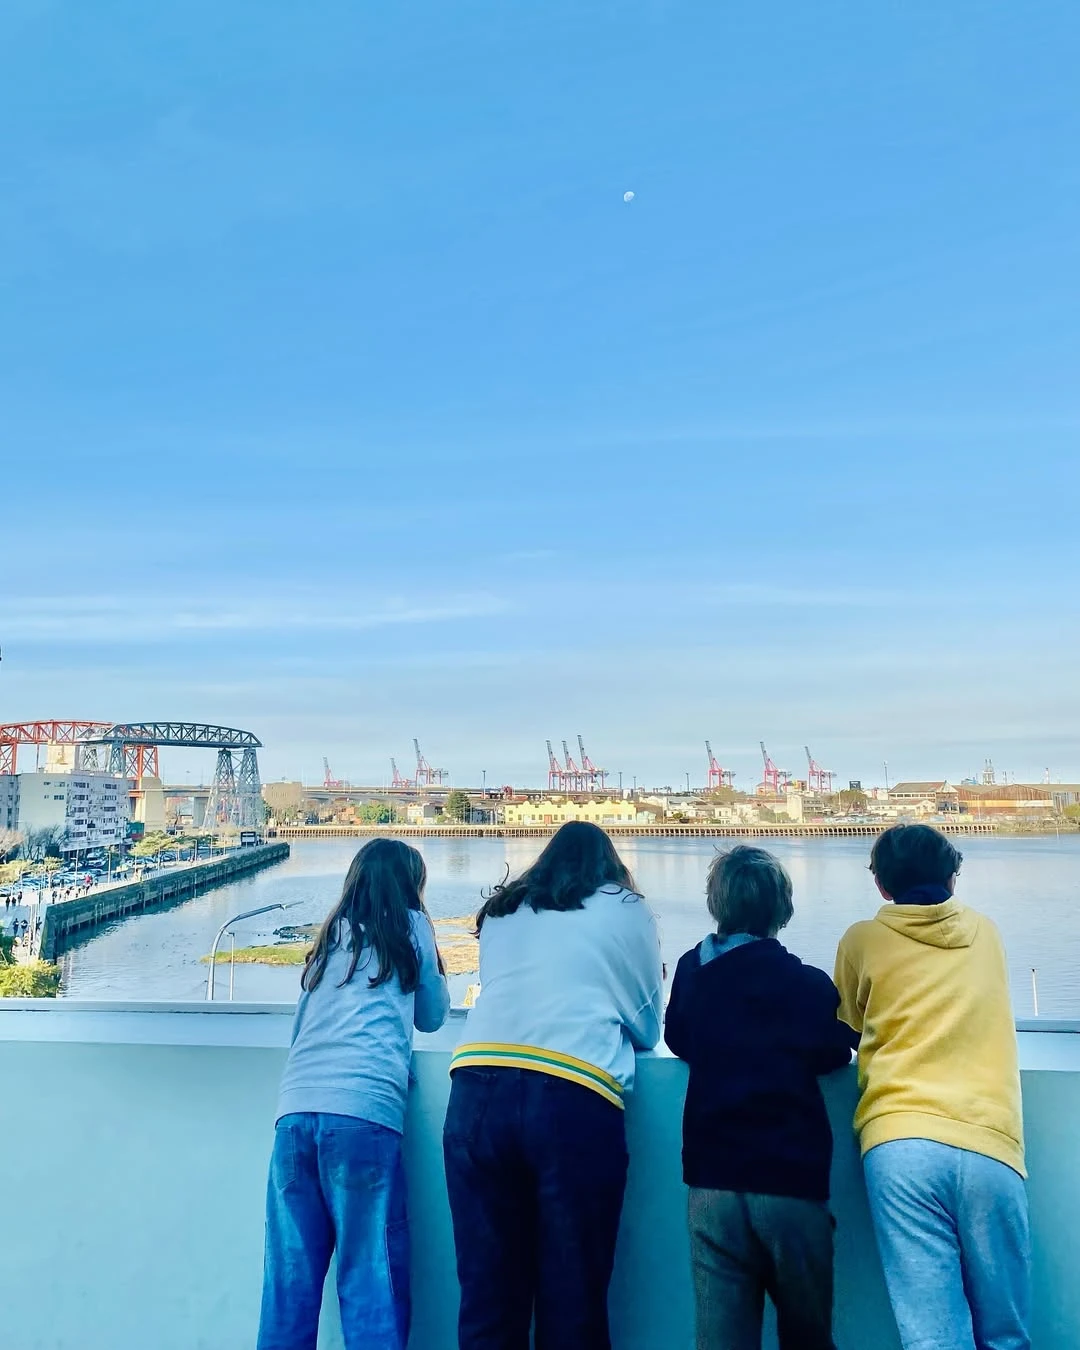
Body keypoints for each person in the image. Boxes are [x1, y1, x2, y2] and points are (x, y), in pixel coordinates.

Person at [443, 821, 664, 1350]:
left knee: (487, 1299)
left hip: (475, 1090)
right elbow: (648, 1025)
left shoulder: (504, 912)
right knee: (574, 1300)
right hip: (572, 1095)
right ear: (611, 864)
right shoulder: (627, 908)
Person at [835, 823, 1029, 1350]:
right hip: (992, 1139)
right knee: (1007, 1332)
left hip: (900, 1143)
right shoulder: (986, 931)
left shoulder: (860, 939)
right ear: (953, 874)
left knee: (935, 1337)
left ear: (882, 886)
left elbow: (848, 1026)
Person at [257, 838, 450, 1350]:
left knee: (289, 1282)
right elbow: (432, 1017)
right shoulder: (413, 927)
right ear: (413, 885)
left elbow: (301, 1030)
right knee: (371, 1277)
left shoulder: (330, 936)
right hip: (363, 1114)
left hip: (295, 1114)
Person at [665, 846, 853, 1350]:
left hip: (711, 1180)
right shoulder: (804, 984)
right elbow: (836, 1049)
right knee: (807, 1336)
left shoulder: (691, 971)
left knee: (721, 1338)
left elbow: (677, 1037)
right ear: (780, 908)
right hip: (788, 1179)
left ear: (717, 903)